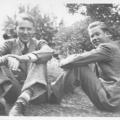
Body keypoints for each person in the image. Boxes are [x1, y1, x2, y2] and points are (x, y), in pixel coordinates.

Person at [51, 21, 120, 112]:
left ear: (107, 34)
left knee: (78, 65)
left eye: (97, 34)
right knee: (81, 64)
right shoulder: (115, 46)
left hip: (110, 99)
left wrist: (61, 62)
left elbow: (77, 60)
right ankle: (56, 92)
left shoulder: (106, 48)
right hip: (115, 99)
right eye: (92, 36)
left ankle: (52, 94)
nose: (94, 38)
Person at [0, 13, 59, 116]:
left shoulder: (39, 43)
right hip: (14, 89)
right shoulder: (8, 44)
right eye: (22, 28)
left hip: (36, 92)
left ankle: (20, 105)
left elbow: (49, 51)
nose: (25, 32)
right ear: (15, 29)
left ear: (34, 30)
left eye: (29, 29)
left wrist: (23, 58)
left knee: (39, 58)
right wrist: (7, 58)